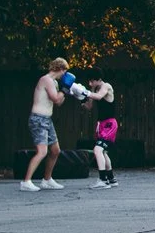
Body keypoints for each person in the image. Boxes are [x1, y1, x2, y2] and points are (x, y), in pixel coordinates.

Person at [20, 58, 71, 192]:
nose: (64, 75)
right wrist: (64, 90)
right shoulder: (46, 79)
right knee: (42, 152)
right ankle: (26, 182)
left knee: (55, 151)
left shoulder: (54, 82)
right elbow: (55, 98)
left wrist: (66, 90)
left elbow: (58, 102)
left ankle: (47, 180)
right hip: (38, 119)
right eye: (64, 71)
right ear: (60, 68)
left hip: (47, 120)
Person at [83, 74, 121, 189]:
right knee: (103, 152)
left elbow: (99, 97)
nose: (90, 84)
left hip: (110, 124)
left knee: (97, 150)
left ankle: (103, 180)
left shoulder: (106, 86)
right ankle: (111, 179)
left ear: (99, 79)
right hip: (101, 125)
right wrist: (80, 97)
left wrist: (85, 92)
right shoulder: (94, 89)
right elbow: (89, 106)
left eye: (92, 81)